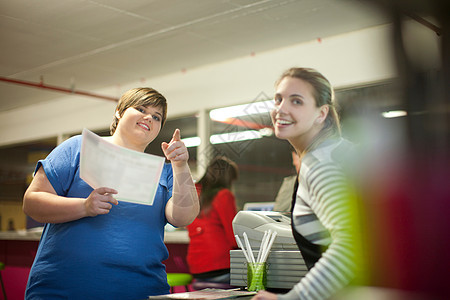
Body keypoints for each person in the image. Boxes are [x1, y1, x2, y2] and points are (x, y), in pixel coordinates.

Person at [22, 87, 199, 299]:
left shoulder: (166, 171)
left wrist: (180, 166)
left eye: (156, 116)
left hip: (141, 290)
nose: (148, 118)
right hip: (64, 289)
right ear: (119, 112)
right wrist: (84, 207)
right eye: (141, 108)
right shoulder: (79, 148)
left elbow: (183, 217)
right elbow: (32, 203)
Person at [252, 68, 361, 299]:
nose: (281, 109)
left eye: (297, 101)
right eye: (278, 99)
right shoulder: (339, 151)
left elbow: (351, 246)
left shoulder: (321, 164)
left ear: (321, 114)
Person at [186, 156, 239, 286]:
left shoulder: (194, 192)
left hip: (196, 267)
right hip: (220, 266)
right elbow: (233, 238)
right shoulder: (224, 195)